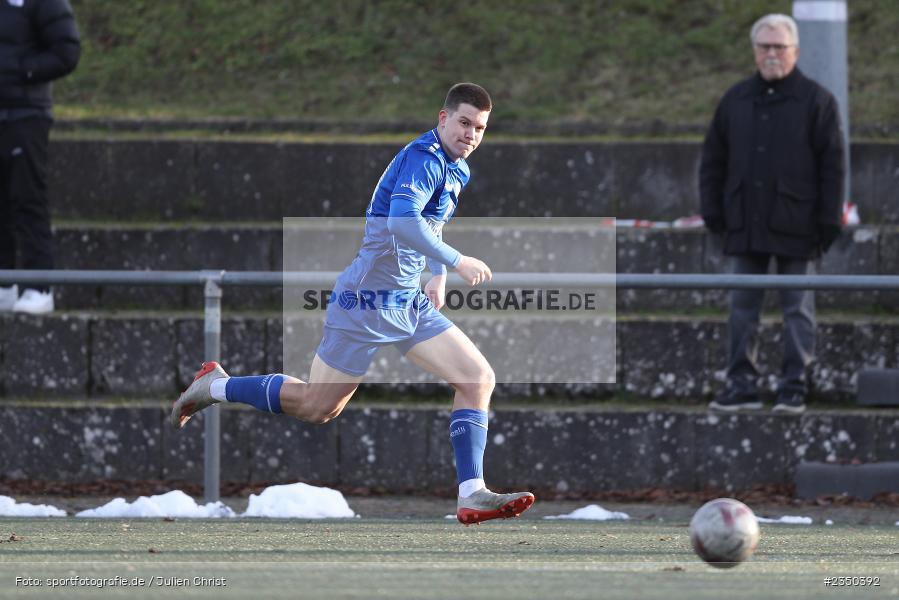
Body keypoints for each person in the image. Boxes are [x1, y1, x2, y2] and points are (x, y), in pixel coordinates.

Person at [172, 83, 535, 524]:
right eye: (464, 123)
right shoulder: (423, 159)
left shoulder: (456, 168)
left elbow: (429, 224)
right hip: (366, 300)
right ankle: (214, 386)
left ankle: (472, 493)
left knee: (477, 378)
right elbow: (402, 222)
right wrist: (457, 262)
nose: (471, 135)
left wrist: (435, 275)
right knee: (316, 407)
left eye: (479, 128)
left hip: (406, 302)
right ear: (442, 119)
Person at [700, 14, 845, 414]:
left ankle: (793, 385)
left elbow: (834, 167)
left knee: (797, 307)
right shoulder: (735, 100)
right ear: (754, 51)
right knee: (742, 307)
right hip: (744, 221)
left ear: (795, 51)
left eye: (779, 46)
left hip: (798, 225)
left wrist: (828, 223)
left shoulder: (818, 101)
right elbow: (713, 160)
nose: (771, 54)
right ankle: (741, 385)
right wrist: (714, 212)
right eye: (764, 46)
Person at [0, 0, 81, 315]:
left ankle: (39, 285)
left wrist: (20, 69)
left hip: (26, 114)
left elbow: (66, 52)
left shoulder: (44, 3)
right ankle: (5, 284)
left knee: (27, 197)